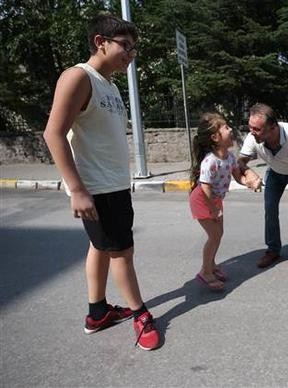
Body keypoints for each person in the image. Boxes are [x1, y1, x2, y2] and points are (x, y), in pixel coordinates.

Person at [43, 14, 160, 350]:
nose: (130, 53)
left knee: (101, 246)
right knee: (122, 252)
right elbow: (53, 133)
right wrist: (77, 190)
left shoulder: (109, 84)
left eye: (134, 49)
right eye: (125, 45)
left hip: (114, 185)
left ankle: (97, 313)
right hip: (98, 188)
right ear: (100, 42)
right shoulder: (79, 77)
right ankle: (141, 314)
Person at [238, 103, 288, 276]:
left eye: (257, 129)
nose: (252, 132)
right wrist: (249, 173)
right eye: (250, 127)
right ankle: (273, 250)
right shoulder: (253, 137)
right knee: (270, 211)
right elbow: (240, 162)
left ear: (273, 127)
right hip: (275, 173)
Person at [189, 112, 262, 291]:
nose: (230, 130)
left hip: (214, 201)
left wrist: (249, 182)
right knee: (214, 236)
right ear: (215, 137)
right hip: (203, 201)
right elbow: (205, 188)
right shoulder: (210, 161)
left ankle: (212, 266)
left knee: (218, 234)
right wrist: (213, 209)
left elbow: (238, 177)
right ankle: (205, 272)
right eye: (226, 127)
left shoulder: (229, 157)